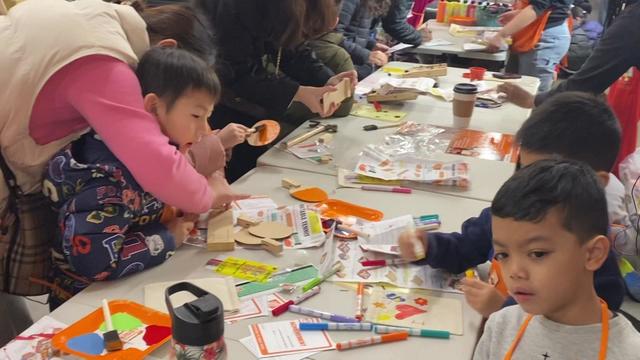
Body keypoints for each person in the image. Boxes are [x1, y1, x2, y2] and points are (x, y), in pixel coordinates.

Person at [0, 0, 245, 341]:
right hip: (85, 313)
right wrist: (195, 208)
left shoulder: (99, 22)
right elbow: (99, 257)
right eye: (195, 113)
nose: (204, 128)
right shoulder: (105, 70)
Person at [43, 47, 244, 310]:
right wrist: (168, 237)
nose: (204, 129)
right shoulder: (108, 178)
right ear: (153, 107)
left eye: (208, 116)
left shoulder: (159, 149)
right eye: (196, 116)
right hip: (87, 306)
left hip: (135, 283)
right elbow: (95, 263)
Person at [397, 92, 626, 317]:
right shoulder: (511, 219)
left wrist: (504, 310)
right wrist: (428, 246)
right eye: (523, 170)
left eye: (538, 254)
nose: (528, 185)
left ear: (596, 183)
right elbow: (466, 247)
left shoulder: (589, 250)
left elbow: (592, 325)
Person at [472, 159, 640, 359]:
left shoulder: (629, 352)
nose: (514, 271)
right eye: (503, 255)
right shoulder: (501, 326)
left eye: (537, 254)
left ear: (593, 254)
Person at [194, 0, 358, 181]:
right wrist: (299, 92)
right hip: (214, 96)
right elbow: (235, 74)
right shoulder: (234, 11)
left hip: (238, 94)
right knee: (230, 168)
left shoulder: (277, 14)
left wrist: (326, 80)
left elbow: (291, 48)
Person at [498, 2, 640, 108]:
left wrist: (532, 101)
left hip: (545, 37)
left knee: (535, 100)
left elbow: (587, 83)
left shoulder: (633, 20)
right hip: (541, 34)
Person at [487, 0, 572, 93]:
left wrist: (501, 35)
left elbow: (536, 8)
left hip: (543, 36)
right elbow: (546, 6)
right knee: (513, 87)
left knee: (531, 92)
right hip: (532, 33)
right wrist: (519, 14)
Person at [338, 0, 433, 80]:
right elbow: (332, 37)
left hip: (354, 61)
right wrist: (366, 55)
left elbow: (357, 31)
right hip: (344, 66)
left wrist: (371, 44)